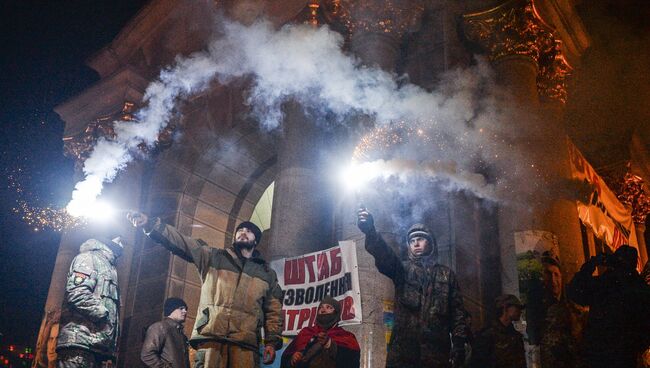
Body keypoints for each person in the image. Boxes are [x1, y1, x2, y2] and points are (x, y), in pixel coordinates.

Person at [127, 212, 283, 368]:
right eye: (240, 230)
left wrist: (271, 342)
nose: (243, 233)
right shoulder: (212, 257)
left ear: (255, 240)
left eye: (248, 231)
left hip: (245, 346)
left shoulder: (266, 274)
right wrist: (151, 225)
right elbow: (183, 243)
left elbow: (273, 312)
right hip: (211, 340)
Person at [357, 208, 468, 368]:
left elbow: (457, 313)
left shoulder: (446, 275)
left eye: (421, 239)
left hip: (436, 353)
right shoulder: (401, 269)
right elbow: (384, 254)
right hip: (403, 353)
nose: (415, 243)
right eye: (412, 240)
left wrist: (458, 343)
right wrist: (370, 231)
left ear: (430, 243)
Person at [566, 245, 650, 368]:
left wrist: (592, 263)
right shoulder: (640, 288)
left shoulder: (604, 284)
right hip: (625, 357)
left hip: (600, 355)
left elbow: (574, 291)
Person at [56, 237, 123, 368]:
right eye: (119, 239)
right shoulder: (88, 258)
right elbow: (77, 292)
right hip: (79, 343)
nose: (122, 245)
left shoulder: (109, 267)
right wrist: (103, 315)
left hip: (96, 346)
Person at [281, 296, 360, 368]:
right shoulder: (306, 332)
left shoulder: (346, 336)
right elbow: (286, 357)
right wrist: (292, 359)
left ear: (336, 313)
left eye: (329, 307)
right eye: (321, 308)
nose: (323, 310)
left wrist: (330, 345)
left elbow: (352, 361)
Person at [538, 252, 586, 368]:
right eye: (548, 274)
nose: (553, 280)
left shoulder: (576, 311)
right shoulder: (537, 312)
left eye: (556, 274)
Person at [470, 295, 526, 368]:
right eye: (517, 307)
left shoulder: (515, 336)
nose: (520, 311)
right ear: (505, 308)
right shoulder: (487, 336)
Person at [141, 297, 190, 368]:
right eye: (181, 308)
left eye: (186, 309)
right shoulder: (160, 327)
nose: (185, 311)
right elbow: (147, 355)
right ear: (171, 309)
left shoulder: (181, 334)